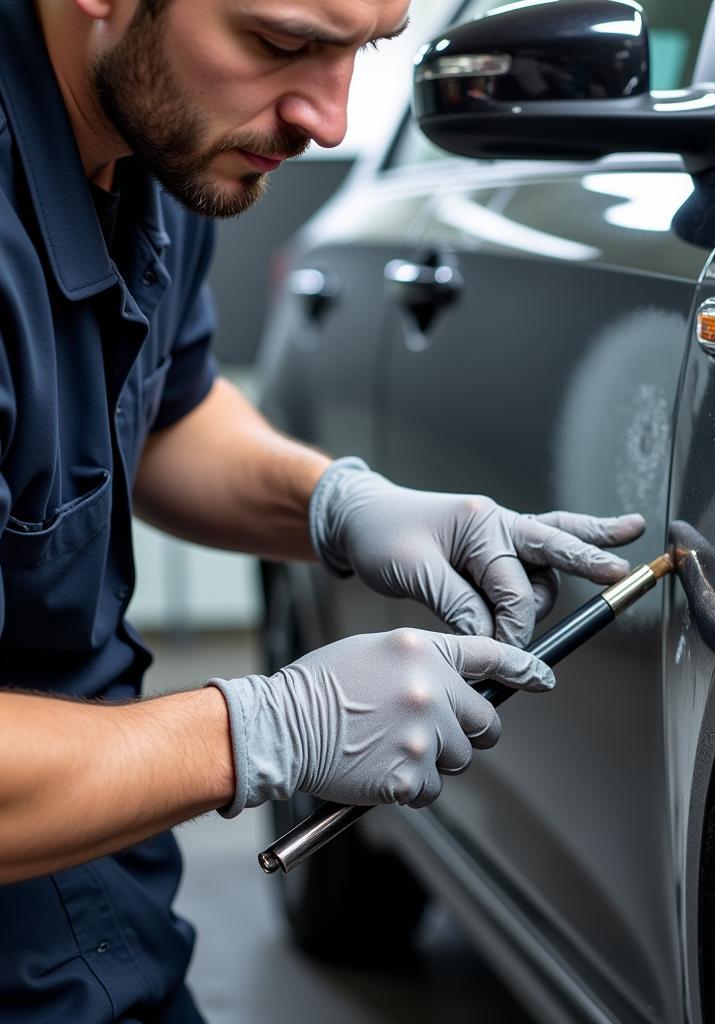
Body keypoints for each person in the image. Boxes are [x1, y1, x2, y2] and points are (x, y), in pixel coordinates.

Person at [0, 1, 646, 1020]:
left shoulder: (155, 142)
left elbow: (162, 408)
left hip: (93, 895)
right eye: (283, 43)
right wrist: (262, 728)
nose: (331, 121)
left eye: (364, 50)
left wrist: (341, 504)